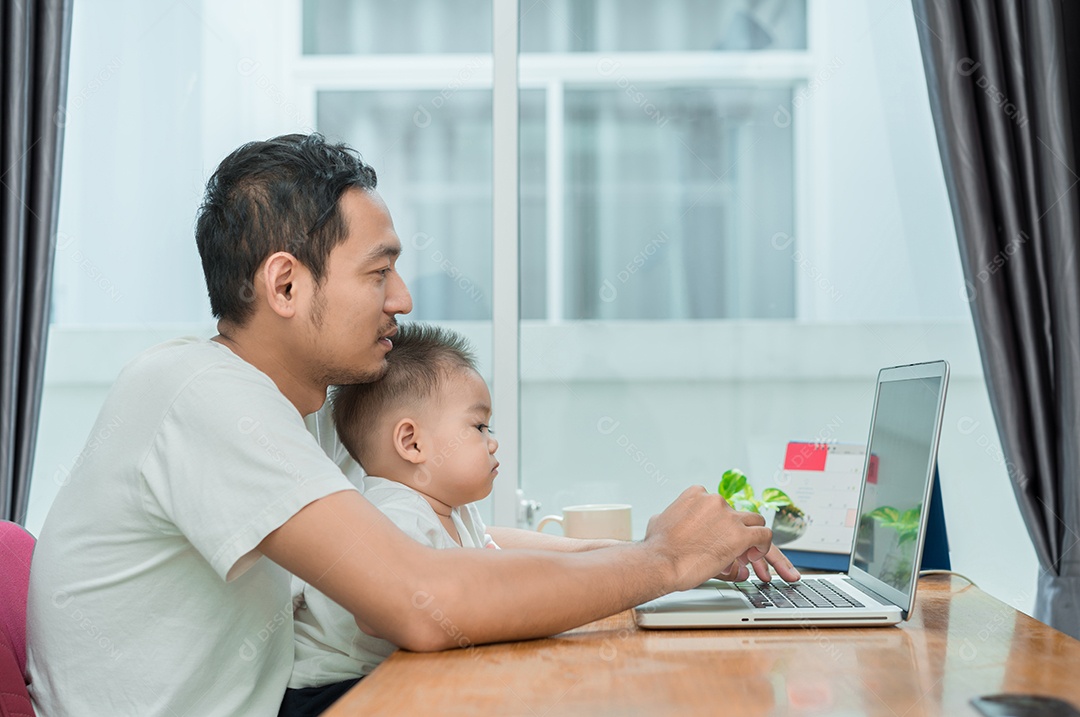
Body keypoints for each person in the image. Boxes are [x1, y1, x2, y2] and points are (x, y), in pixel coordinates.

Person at [26, 133, 799, 717]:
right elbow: (425, 600)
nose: (402, 295)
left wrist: (654, 558)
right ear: (286, 284)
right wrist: (662, 563)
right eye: (377, 270)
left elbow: (459, 542)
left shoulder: (307, 408)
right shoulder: (199, 394)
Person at [284, 322, 618, 716]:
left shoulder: (457, 513)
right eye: (478, 426)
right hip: (330, 693)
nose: (492, 441)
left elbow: (493, 571)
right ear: (412, 442)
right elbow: (380, 616)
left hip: (385, 676)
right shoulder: (395, 514)